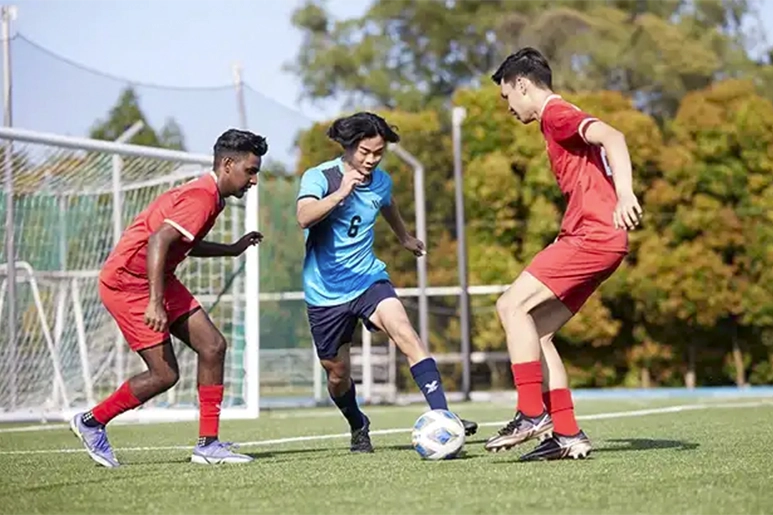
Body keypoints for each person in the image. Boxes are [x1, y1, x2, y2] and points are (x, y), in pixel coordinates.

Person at [70, 129, 268, 467]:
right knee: (164, 375)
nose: (254, 180)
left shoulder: (212, 197)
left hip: (156, 277)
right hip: (127, 282)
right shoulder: (202, 197)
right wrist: (155, 302)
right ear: (227, 164)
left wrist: (231, 249)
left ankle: (208, 445)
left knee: (213, 346)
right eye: (250, 171)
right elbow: (158, 241)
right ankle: (91, 422)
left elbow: (183, 241)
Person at [483, 48, 643, 460]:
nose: (508, 107)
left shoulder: (555, 112)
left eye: (507, 96)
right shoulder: (556, 118)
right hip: (602, 240)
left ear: (522, 85)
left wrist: (625, 194)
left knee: (510, 306)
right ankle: (567, 433)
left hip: (592, 236)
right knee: (536, 332)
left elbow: (613, 136)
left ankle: (531, 413)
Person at [296, 112, 478, 453]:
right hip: (325, 292)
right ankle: (358, 424)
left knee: (405, 333)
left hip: (368, 278)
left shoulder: (381, 181)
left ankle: (443, 415)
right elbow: (304, 217)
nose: (371, 159)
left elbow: (387, 203)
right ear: (348, 146)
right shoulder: (320, 176)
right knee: (337, 374)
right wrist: (340, 194)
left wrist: (404, 236)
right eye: (365, 152)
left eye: (378, 153)